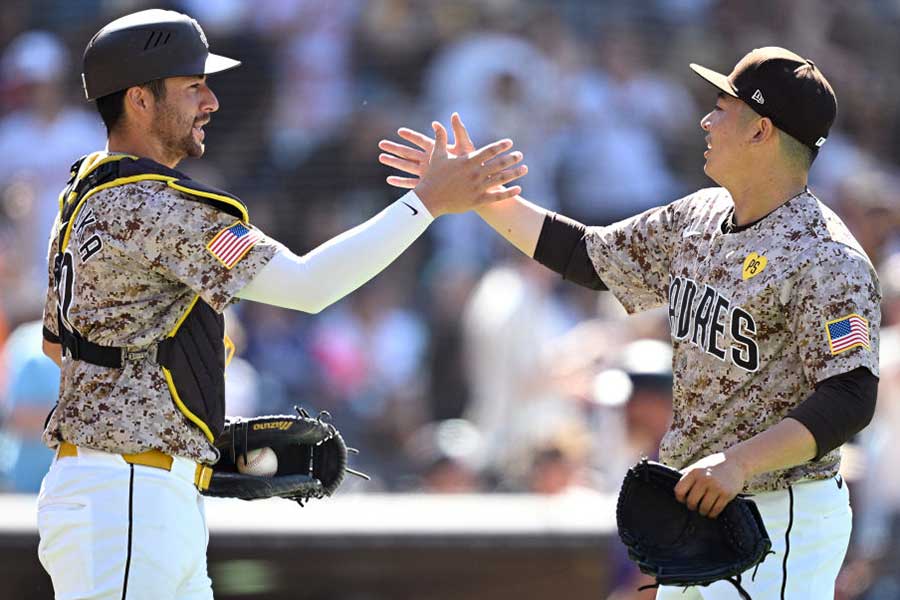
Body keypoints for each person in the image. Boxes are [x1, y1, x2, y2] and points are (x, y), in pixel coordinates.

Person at [37, 9, 527, 600]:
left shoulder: (84, 199)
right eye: (193, 86)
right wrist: (424, 203)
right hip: (129, 498)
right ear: (139, 100)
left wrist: (184, 434)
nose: (211, 100)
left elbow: (59, 348)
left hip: (127, 491)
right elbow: (309, 285)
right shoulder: (154, 206)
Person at [379, 46, 881, 599]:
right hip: (696, 509)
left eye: (722, 107)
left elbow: (850, 396)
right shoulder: (700, 216)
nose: (706, 120)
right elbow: (589, 257)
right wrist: (481, 197)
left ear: (762, 131)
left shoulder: (828, 257)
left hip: (779, 512)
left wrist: (739, 464)